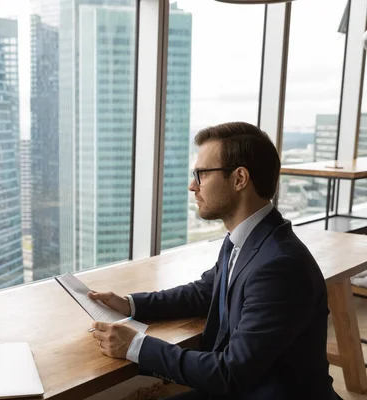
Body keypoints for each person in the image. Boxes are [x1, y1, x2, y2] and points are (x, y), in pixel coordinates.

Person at [87, 122, 340, 399]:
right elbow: (207, 291)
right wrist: (130, 304)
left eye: (201, 174)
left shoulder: (280, 265)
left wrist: (136, 345)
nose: (192, 185)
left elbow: (231, 373)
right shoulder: (247, 237)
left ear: (240, 178)